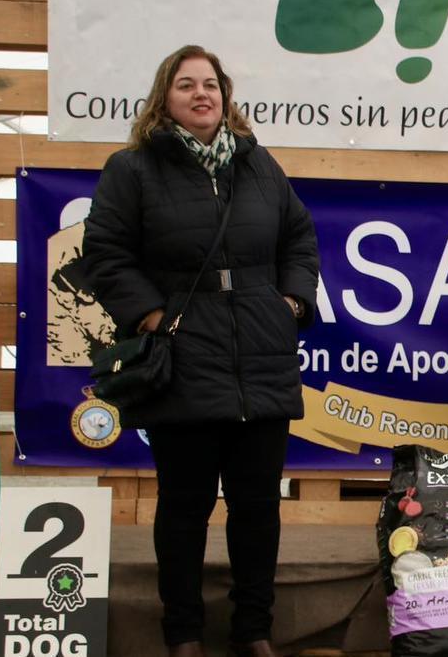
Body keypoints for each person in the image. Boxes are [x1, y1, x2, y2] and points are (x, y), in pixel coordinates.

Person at [83, 45, 320, 656]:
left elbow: (299, 237)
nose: (201, 94)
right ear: (166, 97)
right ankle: (183, 634)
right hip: (182, 362)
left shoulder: (259, 164)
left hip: (261, 361)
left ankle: (254, 632)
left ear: (225, 94)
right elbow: (106, 255)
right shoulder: (132, 168)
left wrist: (290, 304)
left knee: (257, 508)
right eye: (186, 84)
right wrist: (155, 317)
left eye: (210, 84)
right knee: (184, 509)